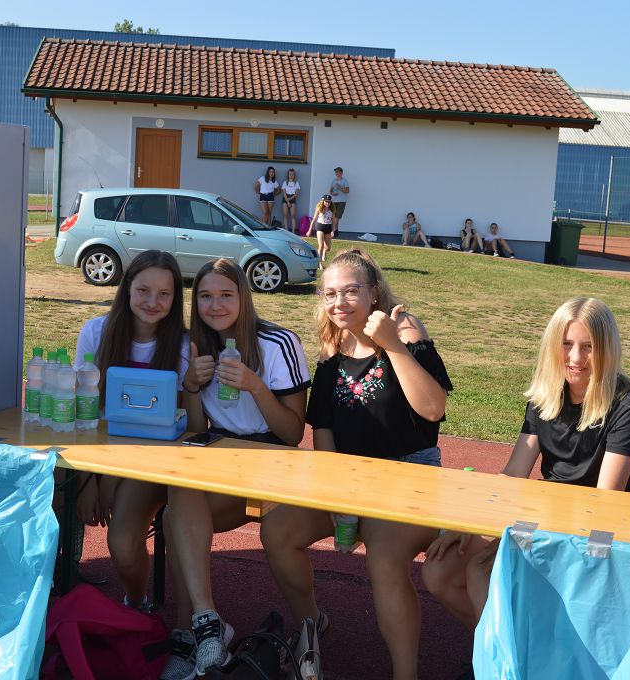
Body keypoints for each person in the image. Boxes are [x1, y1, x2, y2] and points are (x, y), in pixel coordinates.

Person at [260, 249, 453, 680]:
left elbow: (433, 409)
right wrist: (335, 496)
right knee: (277, 530)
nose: (339, 302)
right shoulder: (332, 348)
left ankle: (405, 674)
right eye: (330, 294)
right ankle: (312, 623)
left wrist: (392, 345)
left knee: (383, 558)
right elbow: (324, 430)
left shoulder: (405, 330)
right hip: (349, 480)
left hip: (408, 476)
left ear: (374, 293)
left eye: (350, 291)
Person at [422, 297, 630, 635]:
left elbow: (604, 500)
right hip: (544, 517)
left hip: (593, 532)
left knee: (481, 573)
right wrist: (469, 524)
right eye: (567, 344)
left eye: (588, 347)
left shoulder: (629, 404)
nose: (576, 358)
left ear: (607, 348)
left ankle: (510, 657)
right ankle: (509, 653)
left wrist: (523, 535)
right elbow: (514, 474)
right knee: (437, 571)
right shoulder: (545, 396)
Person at [160, 258, 311, 678]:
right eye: (205, 296)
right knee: (178, 498)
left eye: (226, 295)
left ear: (243, 296)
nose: (216, 305)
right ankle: (204, 627)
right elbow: (196, 431)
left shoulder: (279, 343)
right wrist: (191, 386)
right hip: (222, 454)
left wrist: (255, 385)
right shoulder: (190, 346)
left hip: (274, 459)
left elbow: (292, 433)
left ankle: (193, 633)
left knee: (175, 517)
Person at [73, 250, 189, 611]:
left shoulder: (183, 346)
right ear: (126, 289)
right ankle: (60, 581)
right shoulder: (96, 332)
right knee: (47, 494)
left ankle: (136, 604)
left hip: (152, 462)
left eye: (164, 293)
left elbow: (179, 428)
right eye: (143, 290)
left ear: (175, 298)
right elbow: (81, 412)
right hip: (95, 452)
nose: (152, 302)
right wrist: (87, 479)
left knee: (122, 543)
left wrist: (111, 478)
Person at [307, 195, 335, 264]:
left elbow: (333, 221)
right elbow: (314, 220)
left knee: (328, 248)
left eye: (329, 202)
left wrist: (333, 231)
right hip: (320, 227)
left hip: (328, 227)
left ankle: (324, 252)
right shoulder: (319, 209)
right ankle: (319, 263)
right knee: (321, 245)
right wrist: (309, 230)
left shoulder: (332, 210)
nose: (327, 203)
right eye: (326, 201)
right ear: (323, 201)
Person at [329, 166, 350, 238]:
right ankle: (336, 232)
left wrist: (339, 188)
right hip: (334, 201)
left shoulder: (345, 181)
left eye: (337, 172)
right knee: (334, 217)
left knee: (337, 217)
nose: (336, 173)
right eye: (335, 172)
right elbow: (330, 191)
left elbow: (347, 191)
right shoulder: (333, 181)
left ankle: (332, 231)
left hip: (342, 201)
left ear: (341, 173)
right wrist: (333, 193)